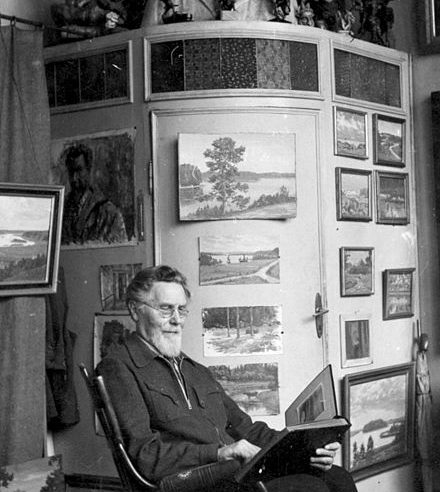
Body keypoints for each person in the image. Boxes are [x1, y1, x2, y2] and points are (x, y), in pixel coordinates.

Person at [97, 265, 357, 492]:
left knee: (338, 478)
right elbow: (145, 455)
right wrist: (221, 452)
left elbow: (247, 429)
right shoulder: (118, 367)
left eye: (181, 310)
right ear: (135, 310)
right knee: (310, 488)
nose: (176, 320)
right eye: (165, 309)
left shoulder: (195, 370)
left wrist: (306, 448)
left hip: (231, 473)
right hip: (193, 482)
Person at [61, 144, 128, 245]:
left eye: (79, 170)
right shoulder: (62, 208)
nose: (74, 178)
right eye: (71, 172)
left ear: (89, 170)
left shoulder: (107, 211)